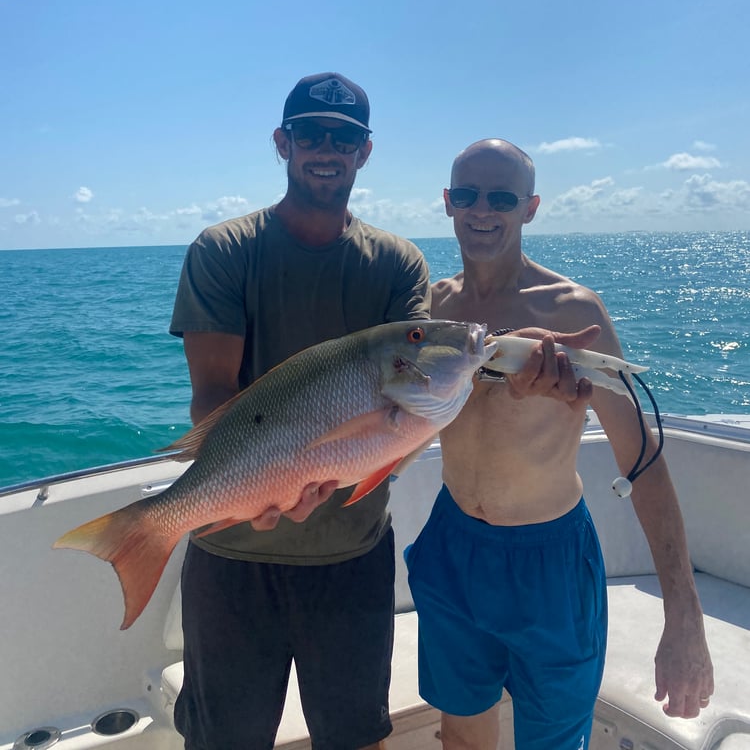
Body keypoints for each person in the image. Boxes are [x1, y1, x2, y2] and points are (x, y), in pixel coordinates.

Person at [168, 78, 594, 750]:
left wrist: (519, 371)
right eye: (310, 134)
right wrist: (264, 485)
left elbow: (423, 392)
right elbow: (212, 394)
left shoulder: (396, 263)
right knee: (224, 739)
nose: (326, 149)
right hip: (232, 550)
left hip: (351, 554)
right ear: (283, 142)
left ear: (365, 152)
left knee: (356, 736)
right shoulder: (225, 250)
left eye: (344, 137)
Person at [405, 138, 714, 750]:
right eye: (466, 195)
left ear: (531, 207)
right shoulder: (432, 310)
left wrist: (683, 615)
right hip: (453, 544)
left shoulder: (574, 311)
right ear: (446, 203)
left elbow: (642, 462)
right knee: (462, 735)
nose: (482, 210)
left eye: (502, 197)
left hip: (549, 560)